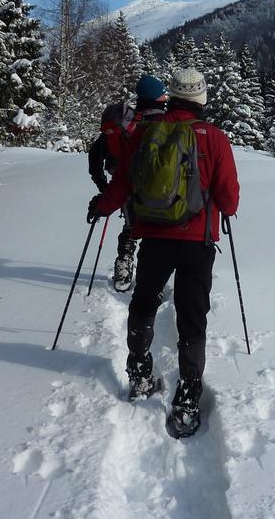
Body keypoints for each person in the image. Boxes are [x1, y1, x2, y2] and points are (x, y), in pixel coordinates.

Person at [88, 67, 240, 438]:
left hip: (154, 239)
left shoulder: (144, 132)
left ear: (171, 95)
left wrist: (101, 205)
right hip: (197, 244)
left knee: (143, 303)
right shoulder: (214, 138)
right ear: (201, 98)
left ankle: (139, 373)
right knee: (192, 317)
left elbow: (123, 183)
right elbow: (230, 201)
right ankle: (187, 399)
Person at [87, 74, 169, 291]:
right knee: (155, 230)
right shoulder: (161, 122)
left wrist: (104, 189)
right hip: (157, 186)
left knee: (131, 225)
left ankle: (124, 264)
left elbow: (94, 156)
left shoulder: (127, 122)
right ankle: (153, 278)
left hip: (123, 185)